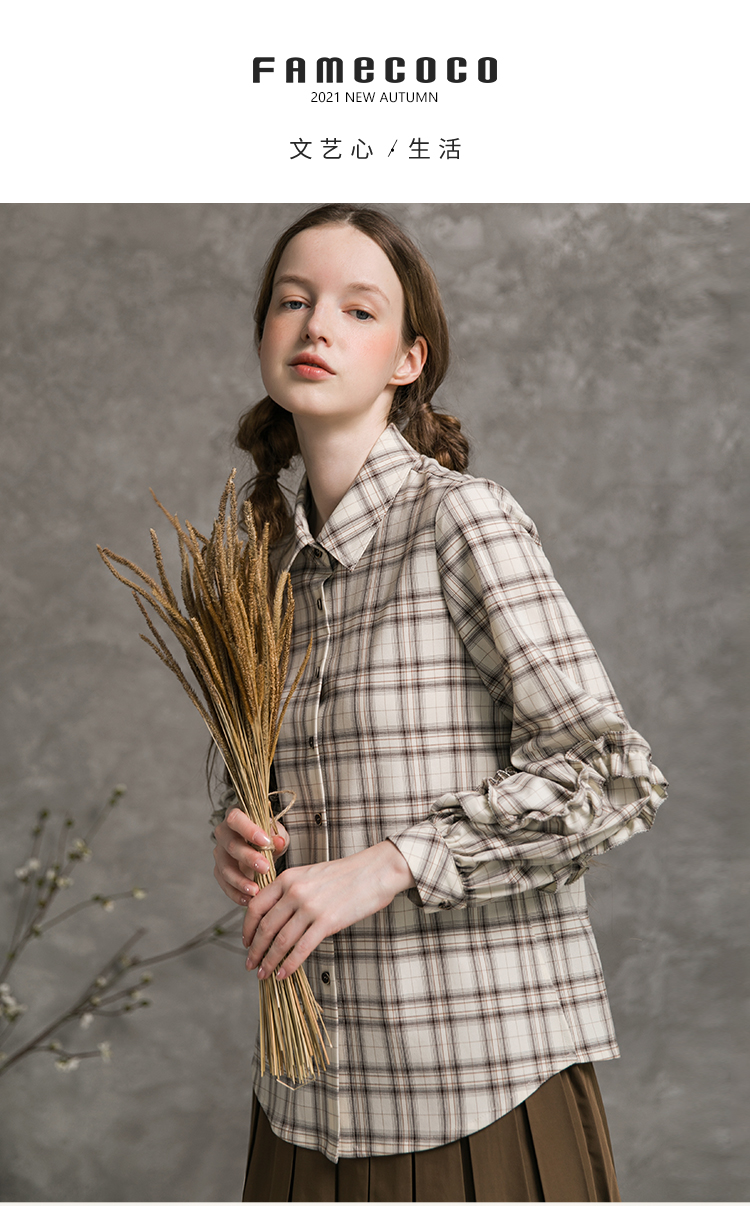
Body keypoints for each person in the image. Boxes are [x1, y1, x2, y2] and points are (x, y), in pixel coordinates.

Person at [211, 204, 668, 1202]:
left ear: (408, 359)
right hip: (309, 1097)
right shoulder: (263, 567)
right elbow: (283, 783)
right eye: (292, 301)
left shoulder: (464, 520)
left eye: (357, 310)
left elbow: (611, 777)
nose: (315, 326)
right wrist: (245, 832)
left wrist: (387, 866)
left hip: (478, 1089)